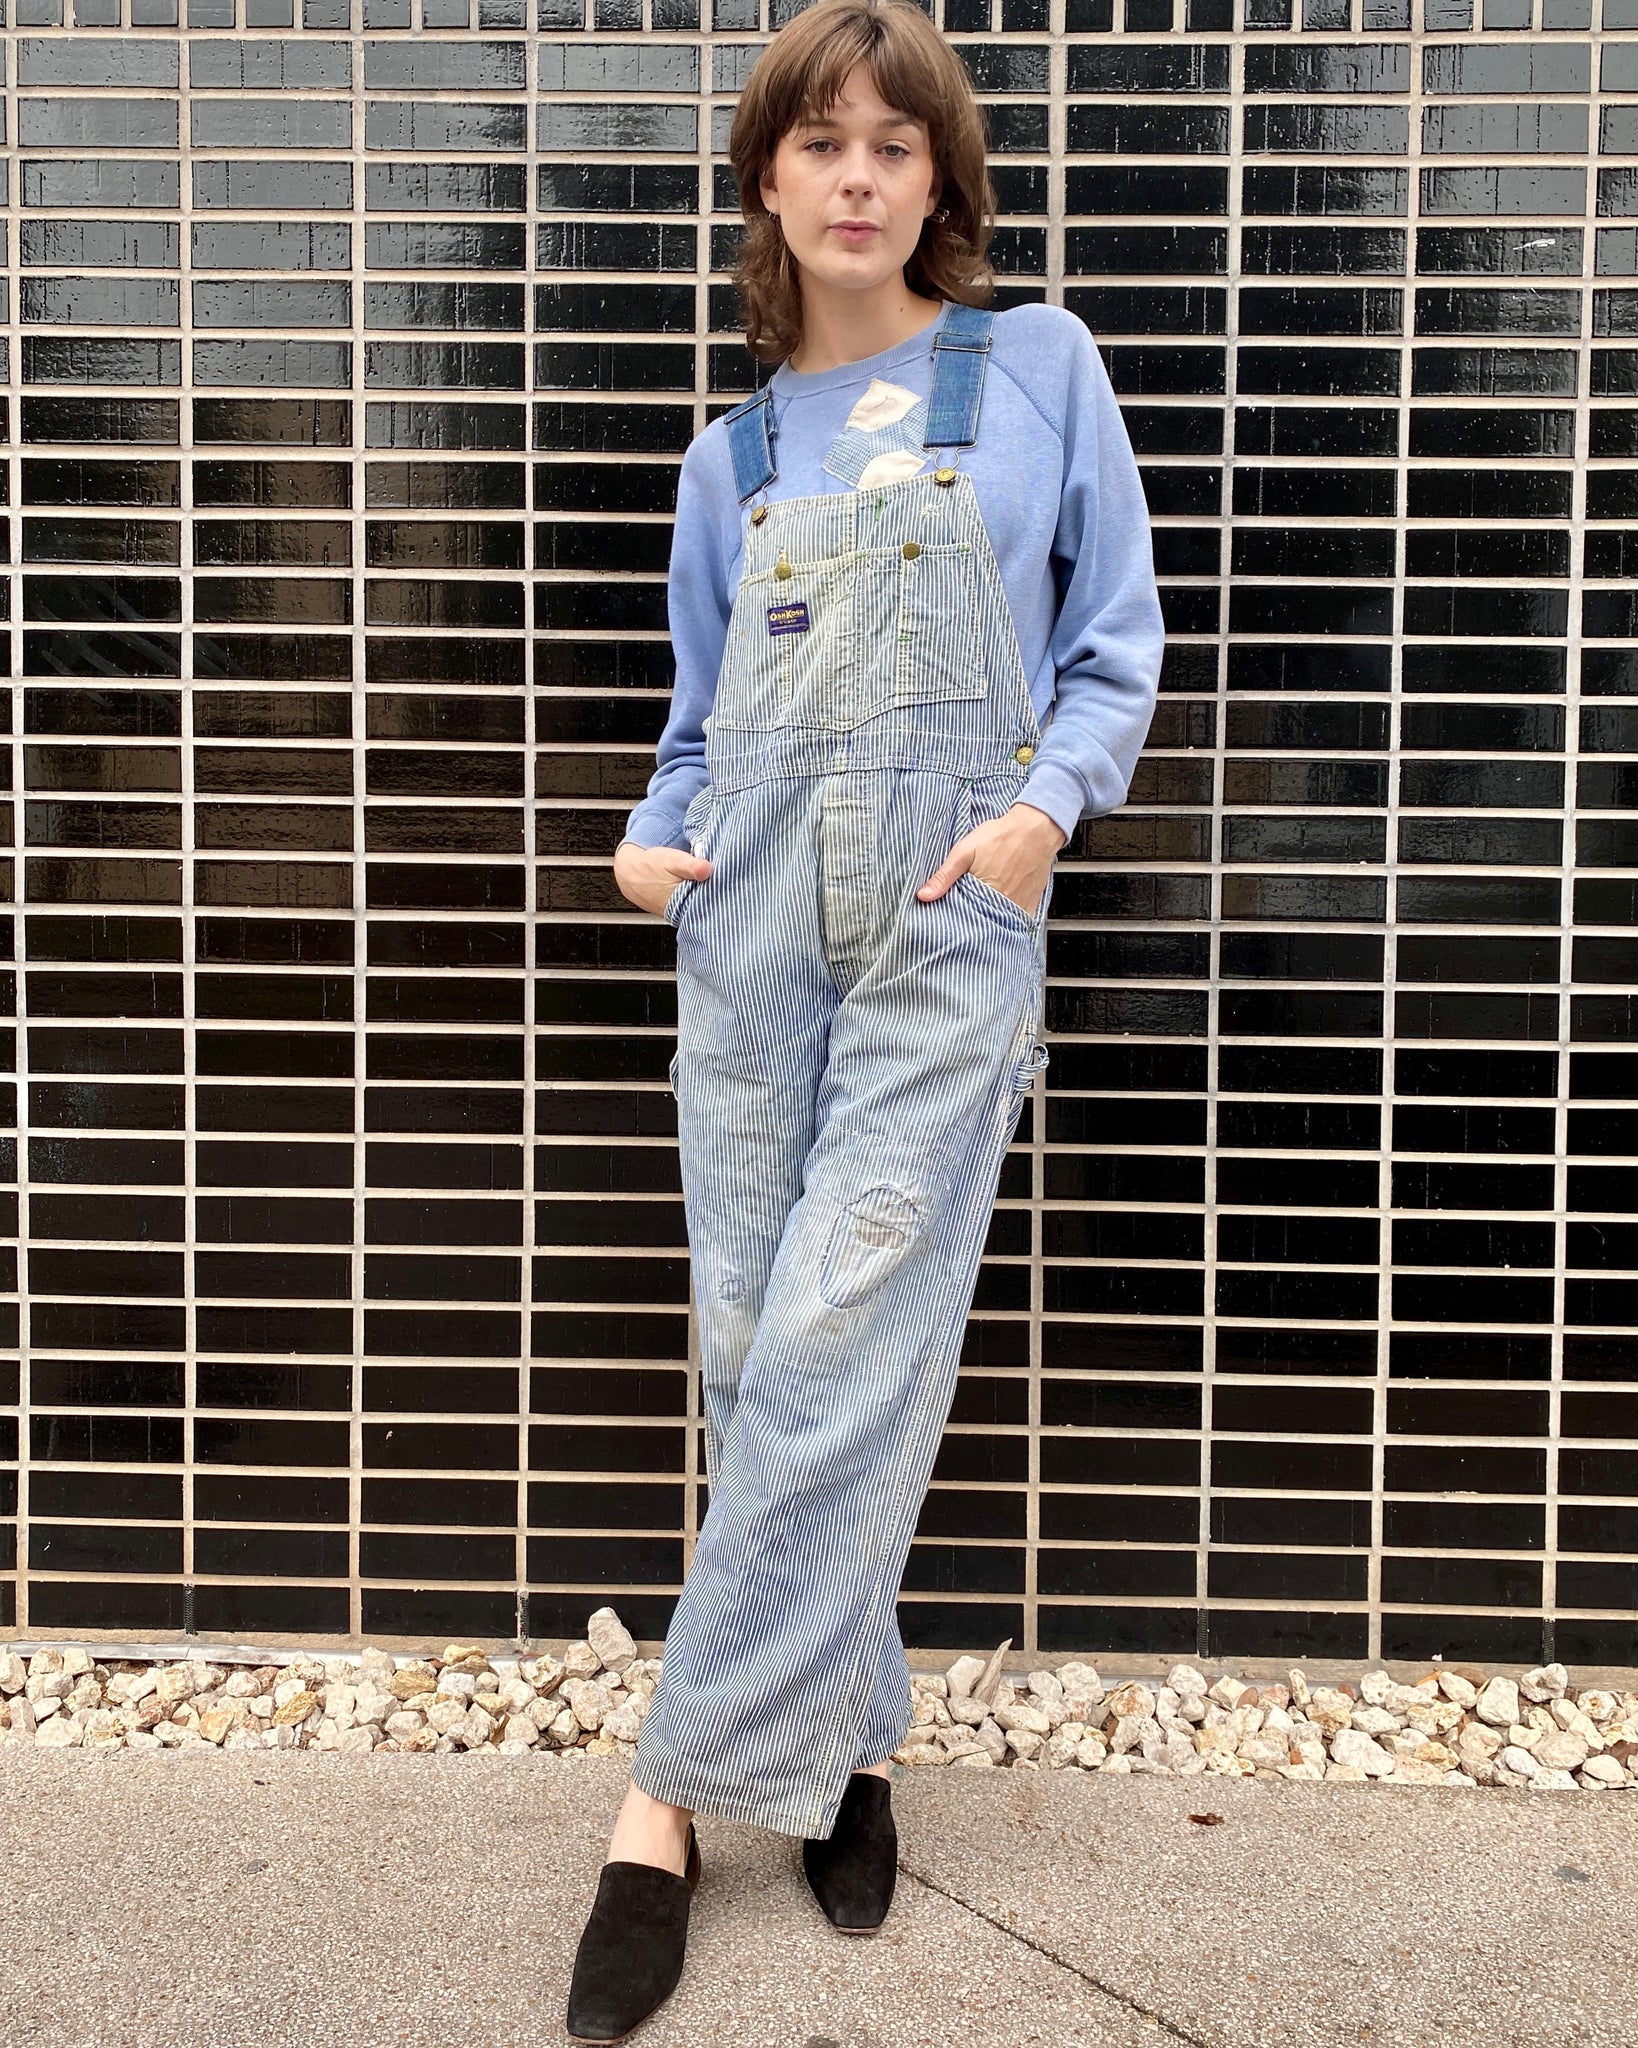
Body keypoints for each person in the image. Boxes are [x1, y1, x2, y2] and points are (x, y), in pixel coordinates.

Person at [565, 0, 1164, 2036]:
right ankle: (849, 1750)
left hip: (939, 924)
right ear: (763, 182)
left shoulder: (1039, 369)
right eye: (816, 144)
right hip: (744, 933)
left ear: (938, 179)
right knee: (761, 1346)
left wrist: (1032, 823)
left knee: (842, 1328)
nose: (851, 177)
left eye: (888, 147)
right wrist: (648, 856)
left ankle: (659, 1800)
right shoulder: (728, 454)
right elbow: (689, 729)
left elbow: (1112, 649)